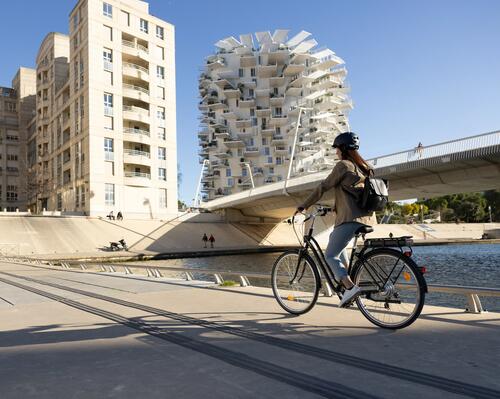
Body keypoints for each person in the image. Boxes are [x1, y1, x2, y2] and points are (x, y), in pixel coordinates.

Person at [297, 132, 373, 308]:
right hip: (364, 218)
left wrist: (304, 205)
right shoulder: (363, 166)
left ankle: (350, 287)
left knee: (330, 255)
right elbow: (353, 195)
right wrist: (333, 208)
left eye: (337, 149)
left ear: (343, 149)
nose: (336, 152)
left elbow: (323, 186)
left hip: (350, 219)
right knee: (335, 242)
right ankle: (348, 282)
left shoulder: (343, 165)